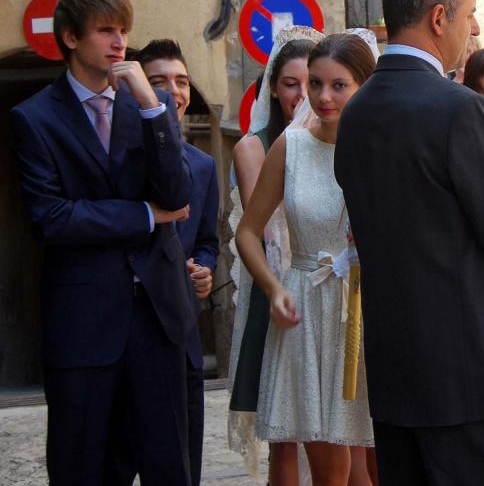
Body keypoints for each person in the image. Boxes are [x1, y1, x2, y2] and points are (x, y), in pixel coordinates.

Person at [335, 0, 484, 486]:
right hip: (473, 372)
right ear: (437, 17)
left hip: (396, 374)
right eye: (469, 14)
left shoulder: (355, 113)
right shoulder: (459, 108)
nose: (474, 28)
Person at [10, 0, 196, 486]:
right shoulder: (34, 120)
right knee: (83, 470)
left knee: (170, 468)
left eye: (124, 31)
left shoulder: (147, 108)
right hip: (83, 326)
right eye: (105, 30)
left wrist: (153, 105)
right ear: (70, 37)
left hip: (158, 319)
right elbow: (52, 218)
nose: (119, 43)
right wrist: (142, 215)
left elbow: (178, 194)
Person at [236, 32, 378, 486]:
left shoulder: (384, 147)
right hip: (309, 312)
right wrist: (274, 288)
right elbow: (248, 232)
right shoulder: (290, 148)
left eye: (339, 85)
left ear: (364, 86)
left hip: (366, 311)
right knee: (329, 468)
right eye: (315, 83)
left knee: (372, 465)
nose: (321, 96)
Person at [228, 28, 320, 482]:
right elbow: (264, 226)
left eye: (312, 82)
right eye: (291, 83)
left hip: (331, 288)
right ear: (273, 88)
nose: (302, 94)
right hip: (280, 285)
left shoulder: (337, 139)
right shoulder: (253, 146)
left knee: (342, 435)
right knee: (285, 434)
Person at [136, 39, 220, 486]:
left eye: (181, 81)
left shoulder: (203, 166)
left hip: (182, 337)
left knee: (183, 468)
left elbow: (207, 241)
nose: (174, 91)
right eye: (159, 82)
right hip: (127, 331)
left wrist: (203, 269)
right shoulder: (122, 160)